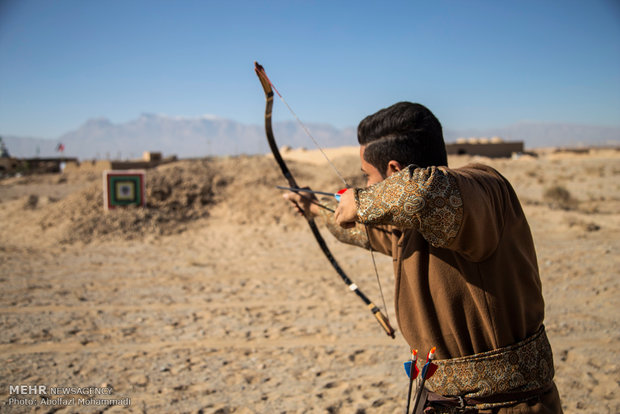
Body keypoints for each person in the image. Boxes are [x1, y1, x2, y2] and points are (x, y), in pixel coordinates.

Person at [284, 102, 563, 413]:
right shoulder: (407, 223)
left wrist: (361, 201)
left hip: (507, 406)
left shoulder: (482, 189)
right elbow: (361, 229)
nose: (364, 186)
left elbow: (423, 193)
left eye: (366, 177)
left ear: (393, 170)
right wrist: (311, 205)